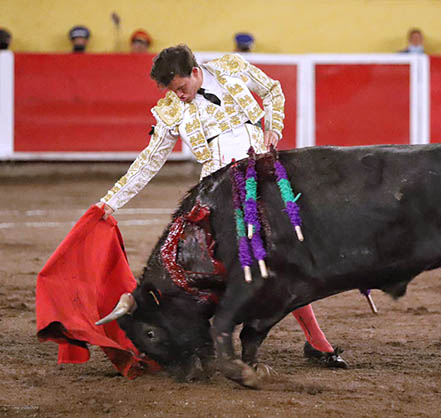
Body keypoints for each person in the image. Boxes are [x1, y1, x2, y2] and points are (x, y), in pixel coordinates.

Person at [95, 44, 348, 369]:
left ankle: (312, 341)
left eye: (182, 87)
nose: (179, 96)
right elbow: (149, 161)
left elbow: (271, 89)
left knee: (287, 258)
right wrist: (110, 201)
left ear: (195, 72)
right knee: (227, 270)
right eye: (173, 91)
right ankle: (194, 342)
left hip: (263, 181)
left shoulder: (230, 68)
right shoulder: (171, 109)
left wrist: (274, 125)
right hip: (219, 197)